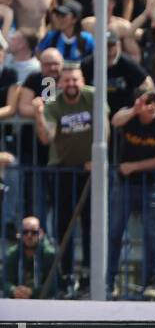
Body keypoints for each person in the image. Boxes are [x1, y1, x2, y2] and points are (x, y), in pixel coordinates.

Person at [33, 64, 99, 283]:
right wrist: (39, 115)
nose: (71, 84)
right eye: (67, 80)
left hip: (89, 171)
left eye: (75, 80)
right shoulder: (53, 104)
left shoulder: (93, 96)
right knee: (64, 225)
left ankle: (91, 272)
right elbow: (46, 138)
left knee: (92, 223)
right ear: (60, 83)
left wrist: (97, 158)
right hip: (62, 170)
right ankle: (68, 274)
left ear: (83, 81)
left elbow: (104, 127)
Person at [107, 89, 155, 300]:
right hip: (124, 184)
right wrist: (135, 109)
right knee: (115, 233)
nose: (151, 106)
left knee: (151, 235)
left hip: (150, 185)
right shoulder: (131, 117)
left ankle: (152, 282)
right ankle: (110, 281)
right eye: (147, 102)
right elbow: (115, 120)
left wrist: (134, 166)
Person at [3, 215, 60, 298]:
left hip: (44, 302)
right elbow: (4, 280)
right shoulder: (12, 253)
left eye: (34, 232)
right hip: (16, 300)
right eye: (25, 232)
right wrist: (13, 290)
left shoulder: (49, 254)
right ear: (20, 234)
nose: (29, 235)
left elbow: (54, 284)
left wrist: (32, 292)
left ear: (41, 233)